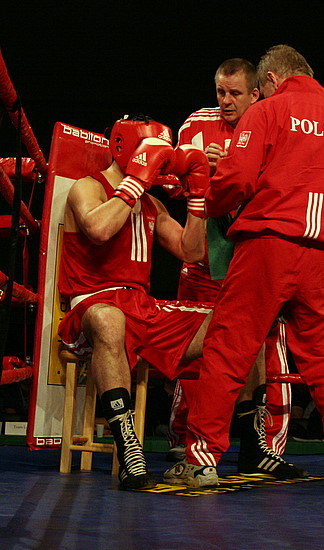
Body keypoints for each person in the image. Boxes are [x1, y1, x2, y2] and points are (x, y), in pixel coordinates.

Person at [164, 44, 324, 490]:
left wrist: (212, 199)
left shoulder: (267, 111)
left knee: (228, 347)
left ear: (273, 80)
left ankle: (201, 458)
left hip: (269, 245)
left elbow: (236, 180)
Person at [57, 113, 218, 491]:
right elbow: (98, 229)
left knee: (233, 320)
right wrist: (136, 182)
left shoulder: (152, 205)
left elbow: (191, 252)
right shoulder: (88, 187)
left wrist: (198, 199)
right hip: (92, 306)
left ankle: (209, 448)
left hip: (141, 307)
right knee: (110, 319)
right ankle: (129, 447)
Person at [165, 58, 295, 475]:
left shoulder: (273, 122)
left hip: (254, 257)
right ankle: (185, 439)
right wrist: (199, 167)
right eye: (220, 92)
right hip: (204, 259)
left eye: (235, 93)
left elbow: (282, 189)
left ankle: (261, 446)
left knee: (263, 348)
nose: (225, 101)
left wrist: (233, 171)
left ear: (255, 93)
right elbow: (170, 185)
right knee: (191, 345)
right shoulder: (196, 124)